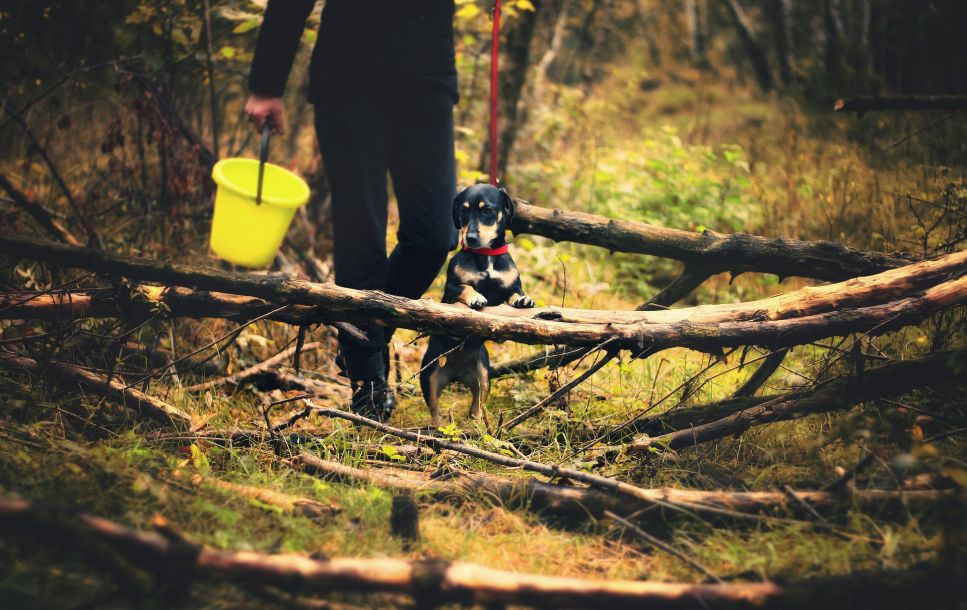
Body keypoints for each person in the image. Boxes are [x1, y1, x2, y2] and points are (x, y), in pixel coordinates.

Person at [245, 0, 458, 421]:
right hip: (349, 77)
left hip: (427, 78)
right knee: (361, 228)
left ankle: (365, 332)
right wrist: (266, 84)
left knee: (436, 235)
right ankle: (367, 379)